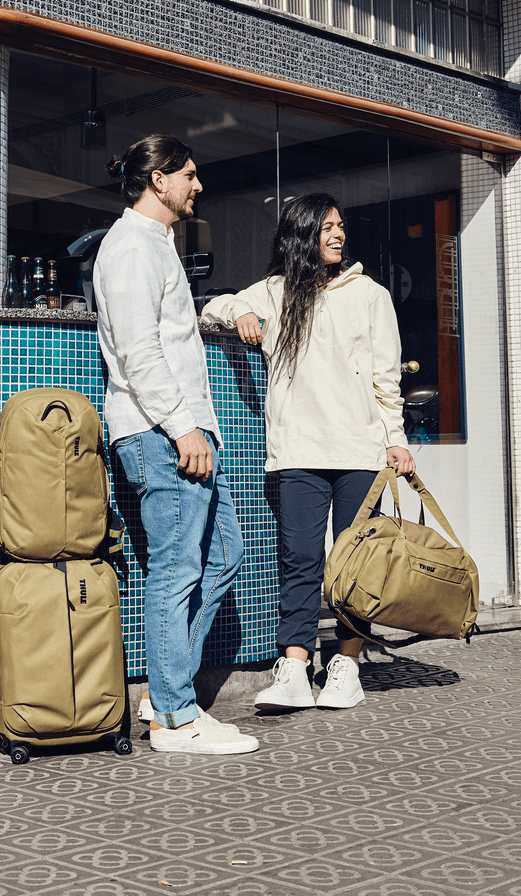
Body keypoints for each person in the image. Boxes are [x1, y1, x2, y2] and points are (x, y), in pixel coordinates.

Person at [202, 193, 415, 710]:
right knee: (298, 559)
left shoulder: (370, 295)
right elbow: (212, 306)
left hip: (360, 452)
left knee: (354, 562)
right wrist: (244, 310)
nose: (338, 234)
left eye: (341, 225)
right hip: (297, 450)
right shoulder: (275, 292)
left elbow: (387, 379)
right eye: (326, 227)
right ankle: (295, 665)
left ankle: (346, 663)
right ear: (302, 235)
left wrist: (396, 441)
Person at [93, 135, 258, 755]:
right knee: (176, 570)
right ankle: (176, 713)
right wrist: (182, 427)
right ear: (158, 180)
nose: (197, 185)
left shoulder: (155, 247)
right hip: (161, 435)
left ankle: (166, 694)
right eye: (189, 175)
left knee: (222, 559)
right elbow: (139, 352)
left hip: (178, 432)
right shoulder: (131, 247)